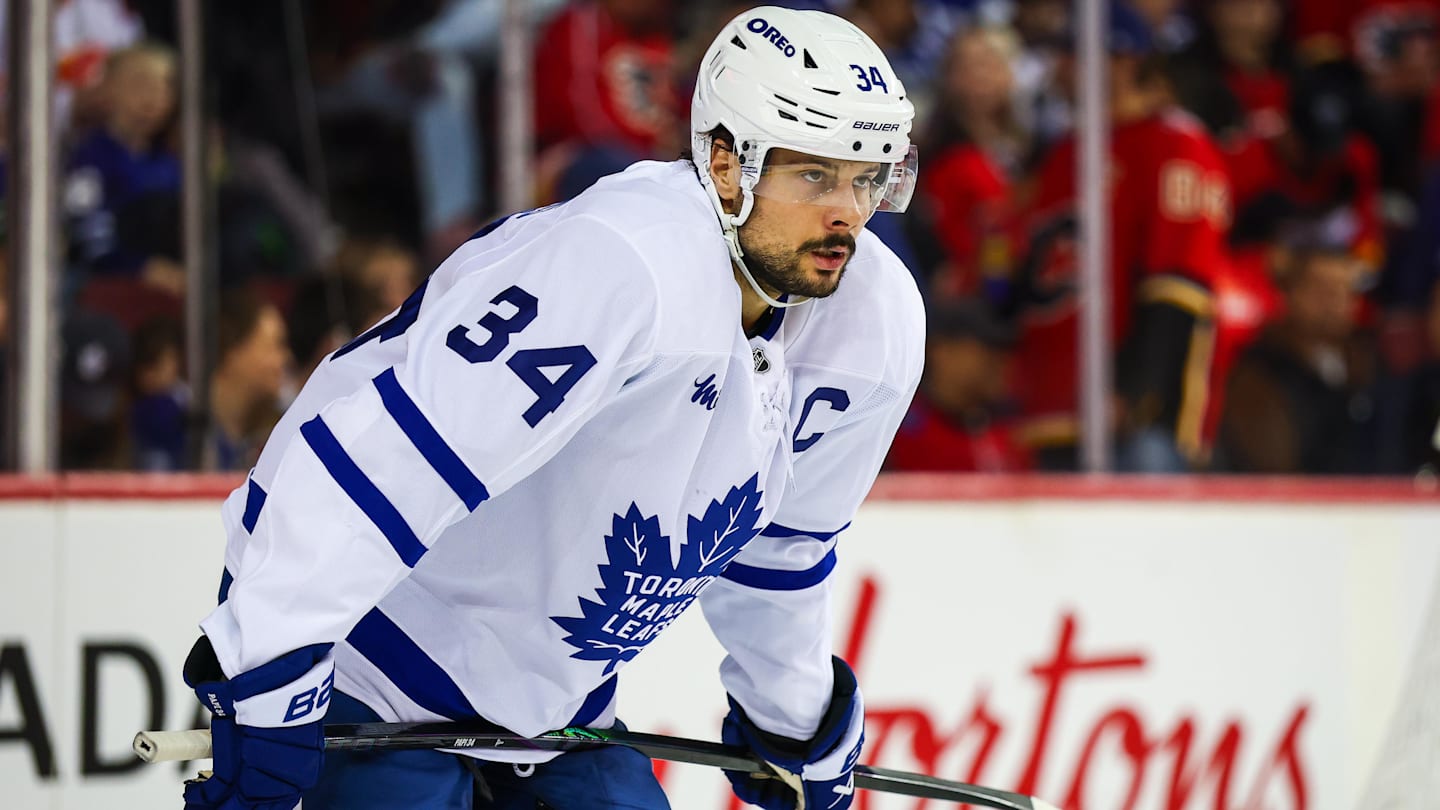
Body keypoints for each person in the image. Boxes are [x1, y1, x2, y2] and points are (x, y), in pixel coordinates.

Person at [177, 7, 923, 810]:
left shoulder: (873, 323)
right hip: (374, 650)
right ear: (725, 164)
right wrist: (270, 663)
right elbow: (393, 458)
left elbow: (776, 553)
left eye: (866, 177)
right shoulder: (625, 264)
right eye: (813, 176)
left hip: (551, 703)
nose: (848, 212)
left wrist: (795, 721)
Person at [1007, 2, 1231, 472]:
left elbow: (1179, 289)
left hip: (1133, 422)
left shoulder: (1176, 145)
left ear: (1123, 61)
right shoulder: (1065, 151)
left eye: (1072, 53)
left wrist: (1134, 392)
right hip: (1047, 409)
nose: (1060, 68)